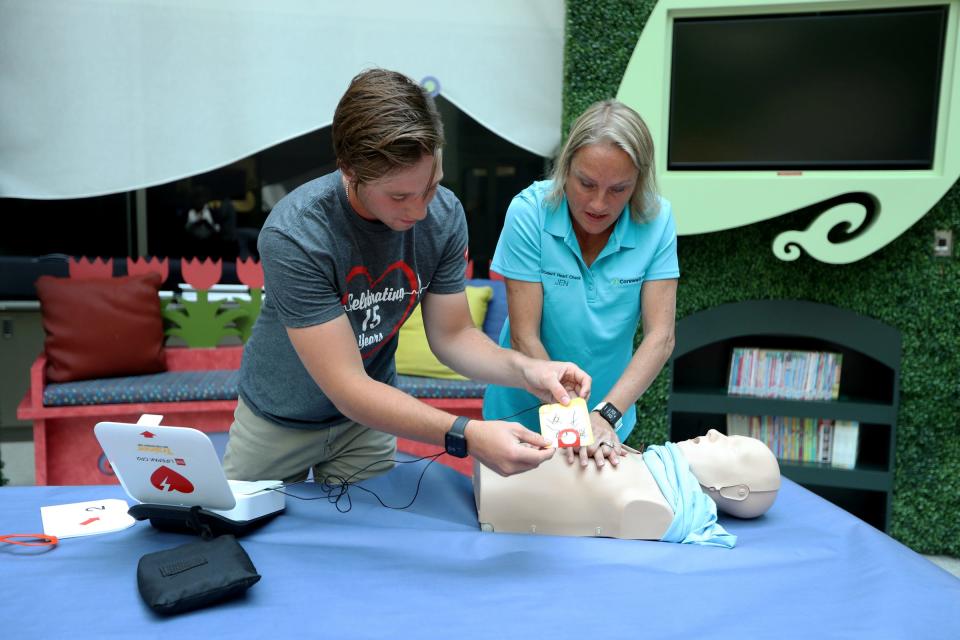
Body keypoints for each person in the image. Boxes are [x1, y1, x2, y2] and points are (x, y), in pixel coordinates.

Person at [223, 69, 591, 485]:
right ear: (349, 170)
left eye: (430, 186)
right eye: (399, 196)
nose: (418, 211)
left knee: (367, 540)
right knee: (237, 535)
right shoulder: (298, 233)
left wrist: (527, 372)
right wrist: (466, 436)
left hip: (367, 421)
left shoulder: (445, 215)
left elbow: (453, 336)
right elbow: (346, 386)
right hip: (278, 419)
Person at [482, 100, 678, 469]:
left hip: (607, 417)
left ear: (638, 182)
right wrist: (573, 426)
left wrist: (604, 417)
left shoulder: (657, 220)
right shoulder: (530, 213)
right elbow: (526, 337)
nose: (598, 203)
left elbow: (660, 337)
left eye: (618, 189)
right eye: (586, 183)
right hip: (520, 413)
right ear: (565, 168)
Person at [474, 429, 781, 546]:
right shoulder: (656, 466)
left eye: (731, 446)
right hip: (494, 460)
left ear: (735, 491)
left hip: (497, 489)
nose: (715, 433)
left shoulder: (659, 508)